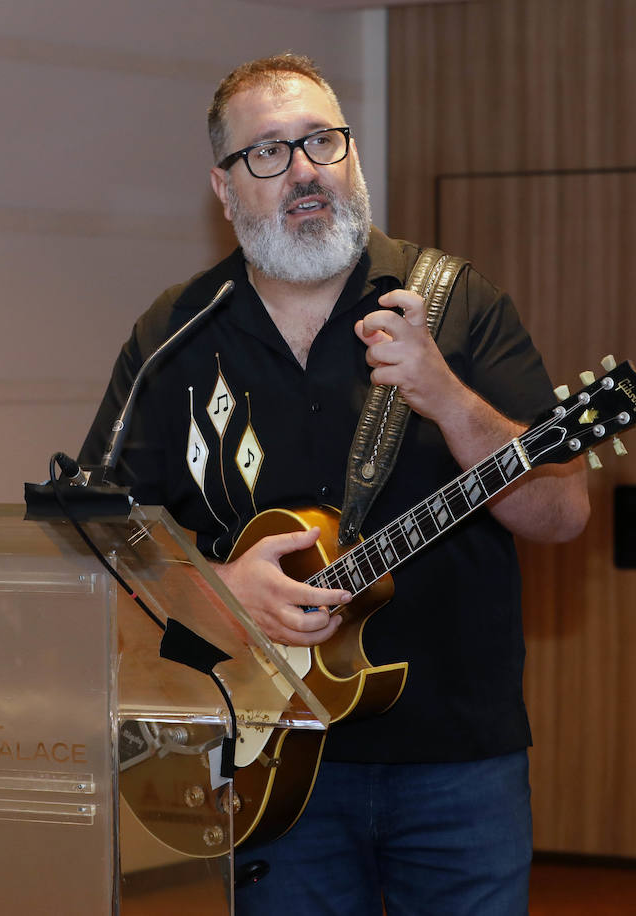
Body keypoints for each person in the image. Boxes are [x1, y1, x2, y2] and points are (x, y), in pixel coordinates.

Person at [80, 53, 589, 916]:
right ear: (223, 185)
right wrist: (217, 591)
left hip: (457, 764)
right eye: (269, 152)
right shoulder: (174, 334)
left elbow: (563, 511)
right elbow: (100, 533)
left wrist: (446, 397)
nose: (305, 168)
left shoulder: (456, 306)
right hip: (264, 760)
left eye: (322, 140)